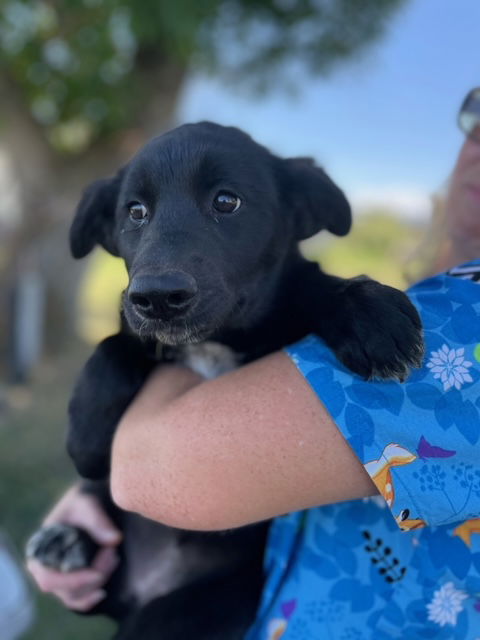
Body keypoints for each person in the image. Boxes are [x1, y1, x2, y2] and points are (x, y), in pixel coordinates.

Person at [28, 88, 480, 638]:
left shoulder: (417, 323)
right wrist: (89, 489)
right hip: (150, 562)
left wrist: (345, 303)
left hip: (225, 589)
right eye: (137, 212)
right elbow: (110, 466)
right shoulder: (430, 296)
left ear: (297, 211)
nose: (160, 264)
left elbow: (162, 471)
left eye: (225, 203)